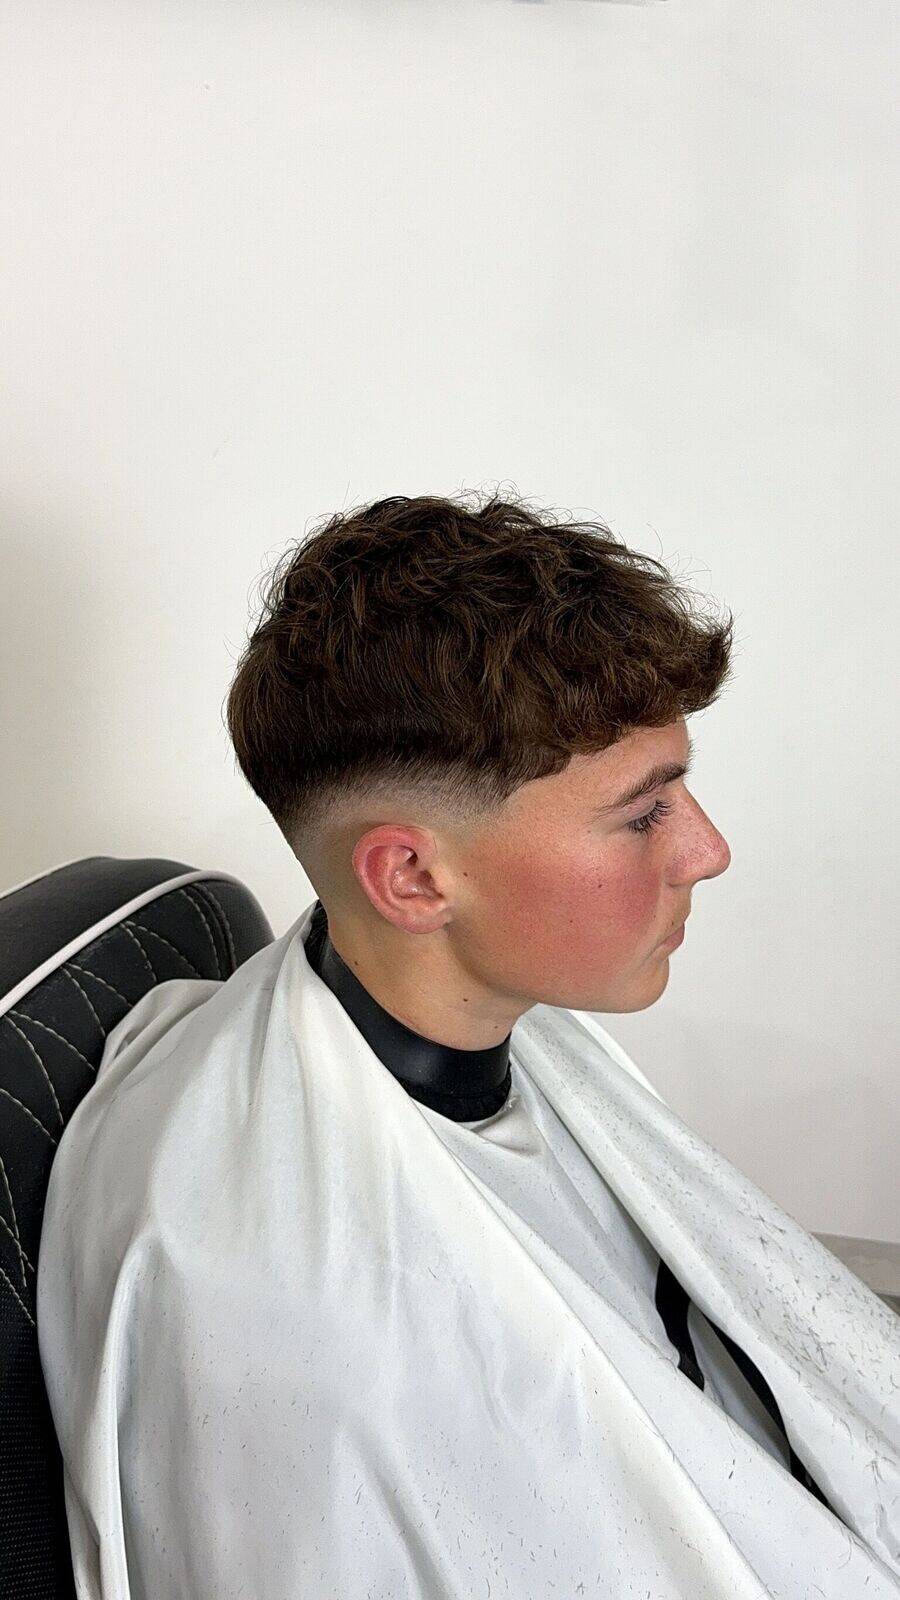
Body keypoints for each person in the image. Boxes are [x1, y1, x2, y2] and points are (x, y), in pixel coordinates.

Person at [37, 493, 900, 1597]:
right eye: (644, 813)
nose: (707, 850)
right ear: (410, 878)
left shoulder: (469, 1030)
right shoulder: (298, 1327)